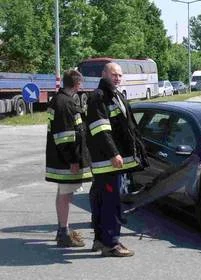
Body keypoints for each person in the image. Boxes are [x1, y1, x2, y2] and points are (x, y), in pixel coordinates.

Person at [86, 62, 147, 257]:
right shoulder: (98, 97)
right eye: (114, 74)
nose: (117, 78)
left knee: (101, 201)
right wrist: (113, 153)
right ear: (104, 74)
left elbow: (128, 127)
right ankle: (111, 244)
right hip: (107, 162)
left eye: (120, 75)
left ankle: (99, 240)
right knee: (111, 203)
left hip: (113, 162)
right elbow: (101, 130)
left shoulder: (117, 95)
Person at [45, 69, 92, 247]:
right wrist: (73, 160)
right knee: (66, 194)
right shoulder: (64, 103)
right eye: (81, 83)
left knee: (62, 193)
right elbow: (65, 137)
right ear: (77, 84)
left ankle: (61, 230)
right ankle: (64, 233)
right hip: (65, 160)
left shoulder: (59, 100)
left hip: (60, 158)